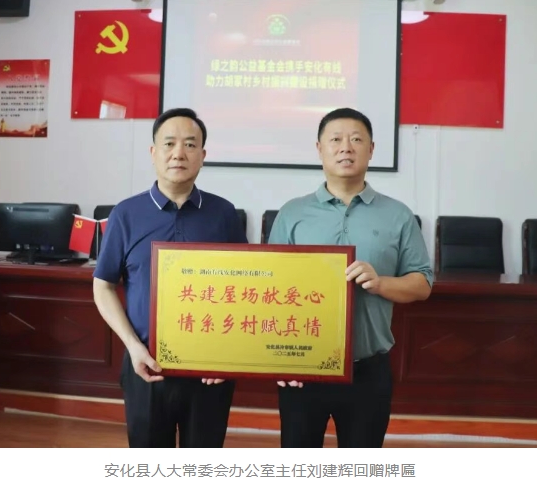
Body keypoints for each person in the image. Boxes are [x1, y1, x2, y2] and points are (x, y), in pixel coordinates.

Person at [268, 107, 433, 448]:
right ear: (320, 149)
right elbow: (270, 291)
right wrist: (279, 361)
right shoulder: (292, 214)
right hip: (303, 368)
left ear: (371, 150)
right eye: (336, 140)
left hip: (369, 370)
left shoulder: (398, 215)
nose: (346, 147)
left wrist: (381, 283)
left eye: (356, 139)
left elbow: (422, 284)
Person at [92, 108, 247, 448]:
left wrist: (229, 356)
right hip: (146, 364)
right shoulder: (126, 214)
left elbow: (244, 289)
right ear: (153, 152)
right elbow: (103, 285)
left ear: (203, 155)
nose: (179, 153)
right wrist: (133, 346)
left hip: (209, 370)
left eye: (190, 144)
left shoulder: (223, 214)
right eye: (169, 144)